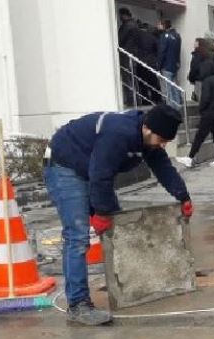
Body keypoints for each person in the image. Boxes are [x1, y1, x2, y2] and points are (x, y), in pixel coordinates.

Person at [45, 105, 193, 326]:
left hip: (90, 167)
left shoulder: (146, 136)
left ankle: (127, 287)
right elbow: (101, 174)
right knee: (77, 237)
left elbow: (163, 167)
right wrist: (101, 213)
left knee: (117, 226)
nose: (162, 145)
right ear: (147, 129)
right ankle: (78, 305)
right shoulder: (118, 134)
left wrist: (183, 196)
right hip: (64, 165)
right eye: (161, 139)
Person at [177, 72, 214, 169]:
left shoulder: (207, 82)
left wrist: (201, 109)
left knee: (200, 136)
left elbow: (205, 97)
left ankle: (190, 157)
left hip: (209, 113)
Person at [117, 8, 140, 106]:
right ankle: (136, 100)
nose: (119, 18)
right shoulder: (134, 24)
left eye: (120, 15)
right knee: (133, 79)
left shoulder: (127, 26)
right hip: (132, 55)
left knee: (128, 79)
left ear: (124, 15)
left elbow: (119, 39)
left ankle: (131, 100)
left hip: (126, 56)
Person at [157, 19, 182, 108]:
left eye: (159, 24)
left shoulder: (164, 36)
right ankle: (178, 107)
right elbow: (178, 51)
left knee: (168, 89)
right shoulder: (177, 36)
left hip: (166, 66)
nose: (157, 26)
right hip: (174, 65)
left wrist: (158, 66)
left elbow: (162, 52)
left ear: (164, 25)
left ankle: (171, 108)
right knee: (174, 87)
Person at [136, 22, 161, 105]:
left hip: (140, 62)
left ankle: (145, 100)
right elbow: (158, 49)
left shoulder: (137, 37)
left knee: (142, 83)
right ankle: (157, 99)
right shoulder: (152, 37)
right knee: (153, 82)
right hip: (151, 63)